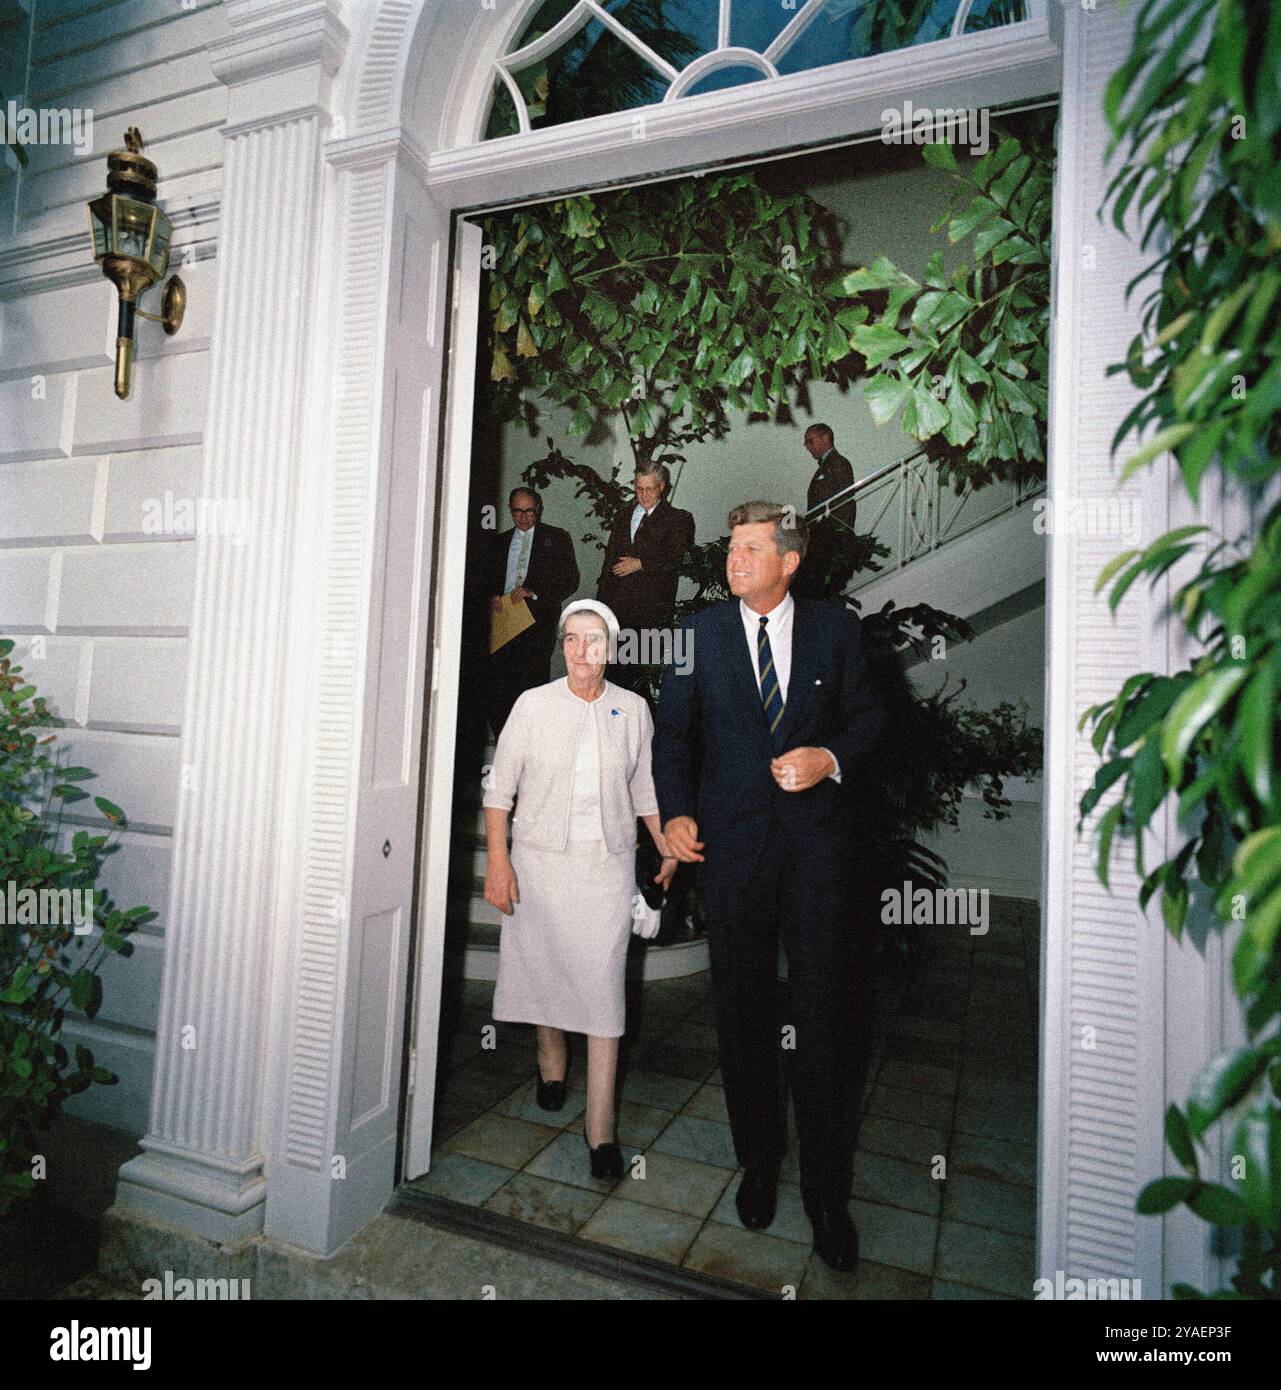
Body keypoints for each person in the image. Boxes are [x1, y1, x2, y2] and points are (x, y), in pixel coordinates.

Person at [652, 501, 885, 1270]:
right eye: (731, 549)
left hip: (817, 855)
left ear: (789, 560)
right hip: (734, 854)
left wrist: (829, 757)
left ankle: (826, 1195)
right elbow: (673, 738)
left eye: (751, 549)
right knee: (743, 1009)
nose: (734, 560)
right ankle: (758, 1166)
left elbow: (873, 718)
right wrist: (677, 815)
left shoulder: (835, 630)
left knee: (820, 1017)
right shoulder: (698, 636)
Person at [483, 599, 677, 1179]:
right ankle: (550, 1063)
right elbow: (499, 791)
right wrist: (498, 862)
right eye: (572, 639)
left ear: (611, 648)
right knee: (546, 968)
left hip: (606, 869)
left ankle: (601, 1129)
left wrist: (666, 848)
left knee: (601, 989)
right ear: (562, 646)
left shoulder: (633, 709)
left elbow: (646, 788)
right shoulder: (533, 705)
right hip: (540, 867)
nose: (581, 650)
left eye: (593, 640)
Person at [486, 486, 579, 737]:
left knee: (532, 685)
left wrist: (534, 592)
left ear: (538, 509)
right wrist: (491, 596)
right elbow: (482, 579)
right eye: (518, 512)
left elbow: (570, 580)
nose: (524, 517)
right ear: (510, 510)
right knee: (498, 686)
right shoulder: (498, 543)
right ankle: (504, 738)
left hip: (536, 624)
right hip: (502, 623)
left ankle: (532, 740)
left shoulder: (557, 538)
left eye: (529, 511)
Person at [595, 464, 695, 692]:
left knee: (639, 682)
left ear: (662, 487)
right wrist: (601, 608)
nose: (643, 495)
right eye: (638, 489)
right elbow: (609, 561)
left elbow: (679, 559)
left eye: (649, 489)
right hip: (616, 610)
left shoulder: (678, 519)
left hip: (649, 613)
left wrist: (642, 564)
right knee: (611, 677)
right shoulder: (623, 515)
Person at [795, 423, 857, 601]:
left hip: (830, 539)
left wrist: (837, 537)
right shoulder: (828, 466)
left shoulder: (839, 464)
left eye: (810, 441)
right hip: (823, 538)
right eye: (806, 442)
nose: (807, 446)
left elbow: (841, 504)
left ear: (825, 438)